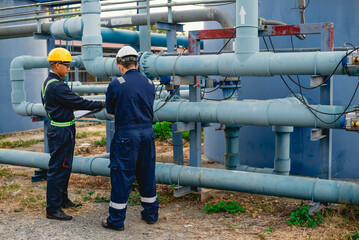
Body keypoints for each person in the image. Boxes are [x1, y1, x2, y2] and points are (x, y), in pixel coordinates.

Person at [42, 47, 104, 221]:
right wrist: (100, 104)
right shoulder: (55, 86)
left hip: (64, 128)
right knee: (58, 169)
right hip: (61, 131)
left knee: (65, 166)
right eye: (66, 65)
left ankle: (62, 199)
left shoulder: (52, 82)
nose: (69, 68)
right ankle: (53, 209)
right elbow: (77, 101)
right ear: (56, 65)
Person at [102, 46, 158, 231]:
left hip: (127, 135)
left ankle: (116, 220)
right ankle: (151, 214)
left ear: (119, 64)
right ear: (137, 62)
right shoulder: (150, 83)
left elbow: (110, 110)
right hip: (147, 134)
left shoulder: (116, 84)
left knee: (122, 175)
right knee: (147, 173)